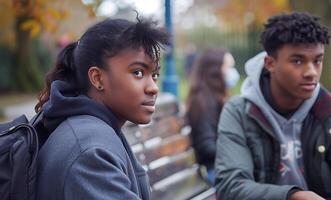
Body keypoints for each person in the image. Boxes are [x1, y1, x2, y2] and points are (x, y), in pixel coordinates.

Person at [215, 12, 331, 200]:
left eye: (317, 60)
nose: (311, 72)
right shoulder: (240, 112)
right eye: (297, 61)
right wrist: (292, 197)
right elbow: (230, 186)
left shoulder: (329, 109)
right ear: (270, 63)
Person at [35, 17, 169, 200]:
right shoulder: (91, 152)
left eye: (154, 75)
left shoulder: (93, 130)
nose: (153, 87)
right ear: (97, 78)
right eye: (138, 72)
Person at [186, 48, 239, 185]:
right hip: (215, 171)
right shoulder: (202, 101)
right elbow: (206, 146)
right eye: (229, 67)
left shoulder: (216, 97)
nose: (233, 72)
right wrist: (239, 152)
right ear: (215, 70)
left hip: (224, 168)